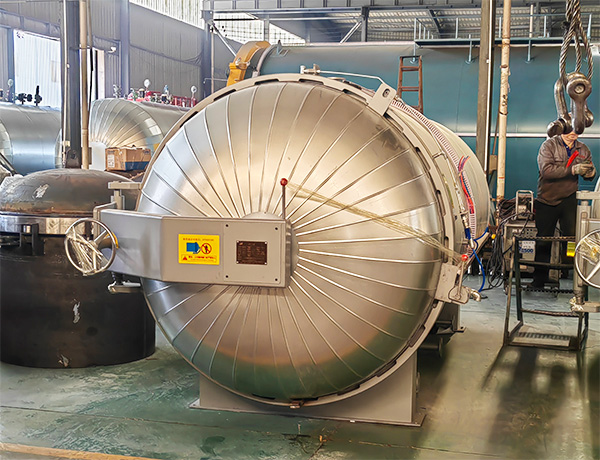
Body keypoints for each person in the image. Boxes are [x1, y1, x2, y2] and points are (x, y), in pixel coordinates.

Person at [530, 130, 596, 288]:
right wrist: (572, 170)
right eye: (569, 130)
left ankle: (570, 276)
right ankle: (539, 279)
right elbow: (546, 171)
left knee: (571, 239)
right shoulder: (548, 146)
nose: (573, 134)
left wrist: (590, 173)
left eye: (576, 130)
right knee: (543, 241)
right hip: (547, 200)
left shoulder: (582, 149)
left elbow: (588, 171)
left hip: (569, 199)